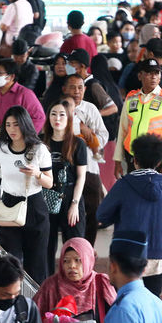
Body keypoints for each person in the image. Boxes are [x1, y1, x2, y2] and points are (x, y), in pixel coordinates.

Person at [0, 107, 54, 282]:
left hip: (34, 206)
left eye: (16, 124)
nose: (11, 129)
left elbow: (49, 182)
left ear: (24, 124)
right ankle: (13, 302)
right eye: (8, 125)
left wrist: (37, 174)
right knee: (11, 262)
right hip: (9, 206)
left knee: (36, 264)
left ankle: (36, 305)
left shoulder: (39, 149)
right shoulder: (1, 149)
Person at [99, 134, 162, 296]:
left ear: (134, 160)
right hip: (159, 256)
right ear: (159, 162)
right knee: (152, 301)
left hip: (127, 255)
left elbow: (102, 215)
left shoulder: (123, 185)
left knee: (126, 301)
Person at [62, 75, 109, 247]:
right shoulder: (60, 109)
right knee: (70, 211)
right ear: (64, 90)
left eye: (80, 88)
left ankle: (88, 247)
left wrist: (90, 138)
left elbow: (104, 135)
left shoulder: (90, 109)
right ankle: (71, 247)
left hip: (89, 165)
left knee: (93, 207)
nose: (76, 91)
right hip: (67, 168)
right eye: (72, 87)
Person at [113, 59, 162, 179]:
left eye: (156, 73)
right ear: (140, 76)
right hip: (134, 158)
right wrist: (118, 160)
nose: (153, 77)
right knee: (135, 195)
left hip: (157, 159)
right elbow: (122, 130)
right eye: (149, 73)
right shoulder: (131, 98)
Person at [43, 99, 89, 263]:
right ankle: (46, 284)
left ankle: (74, 285)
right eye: (53, 114)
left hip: (70, 196)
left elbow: (81, 177)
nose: (57, 118)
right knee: (46, 246)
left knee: (74, 247)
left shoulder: (78, 144)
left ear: (69, 118)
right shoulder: (41, 142)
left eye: (62, 115)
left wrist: (75, 204)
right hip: (46, 196)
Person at [34, 237, 116, 322]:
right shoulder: (51, 286)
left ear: (88, 260)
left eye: (78, 260)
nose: (72, 265)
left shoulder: (101, 283)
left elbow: (117, 318)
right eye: (66, 261)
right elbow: (34, 320)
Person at [0, 59, 46, 131]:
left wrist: (24, 137)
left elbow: (39, 118)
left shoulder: (25, 94)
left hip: (15, 140)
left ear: (11, 77)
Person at [66, 49, 119, 118]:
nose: (68, 66)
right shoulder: (74, 82)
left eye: (72, 63)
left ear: (82, 66)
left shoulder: (93, 85)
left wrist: (93, 115)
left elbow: (113, 108)